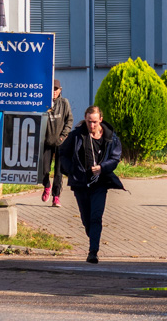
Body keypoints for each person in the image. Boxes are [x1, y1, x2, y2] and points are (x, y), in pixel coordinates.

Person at [60, 105, 124, 263]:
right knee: (86, 219)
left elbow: (115, 159)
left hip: (100, 183)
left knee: (96, 217)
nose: (92, 125)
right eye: (89, 122)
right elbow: (63, 154)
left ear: (101, 120)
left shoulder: (111, 138)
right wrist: (72, 170)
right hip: (80, 183)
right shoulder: (76, 136)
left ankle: (93, 251)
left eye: (95, 122)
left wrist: (102, 168)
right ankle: (93, 238)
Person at [40, 79, 72, 207]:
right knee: (44, 169)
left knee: (58, 171)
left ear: (60, 90)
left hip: (60, 142)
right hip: (46, 142)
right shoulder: (43, 103)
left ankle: (56, 196)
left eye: (56, 89)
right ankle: (47, 186)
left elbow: (69, 120)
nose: (53, 92)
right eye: (51, 89)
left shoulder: (64, 103)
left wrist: (63, 136)